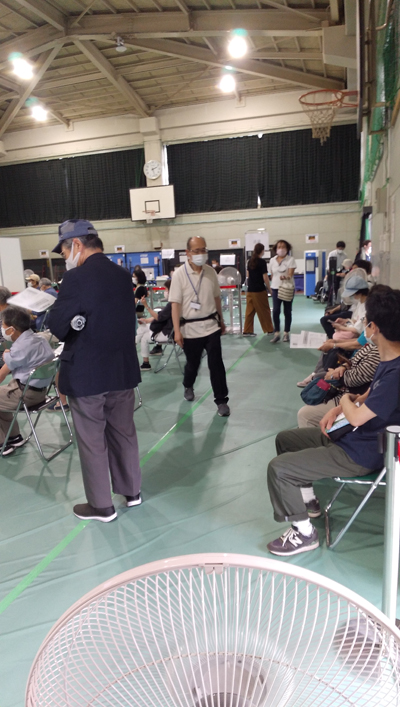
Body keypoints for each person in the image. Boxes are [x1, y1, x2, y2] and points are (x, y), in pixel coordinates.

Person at [266, 285, 400, 556]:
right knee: (286, 440)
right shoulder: (389, 360)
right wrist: (338, 409)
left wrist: (345, 402)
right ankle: (308, 502)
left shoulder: (396, 372)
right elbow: (366, 396)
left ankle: (304, 534)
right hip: (351, 435)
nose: (363, 326)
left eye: (366, 322)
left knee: (279, 469)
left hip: (362, 453)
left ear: (373, 328)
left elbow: (358, 412)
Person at [48, 219, 142, 523]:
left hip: (88, 373)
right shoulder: (122, 275)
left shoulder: (75, 278)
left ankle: (101, 506)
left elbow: (58, 325)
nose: (66, 259)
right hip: (122, 370)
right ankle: (132, 491)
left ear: (76, 244)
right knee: (124, 433)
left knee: (92, 440)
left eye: (65, 252)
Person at [169, 236, 230, 417]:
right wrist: (177, 331)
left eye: (203, 250)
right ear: (187, 253)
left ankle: (221, 400)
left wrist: (221, 320)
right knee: (193, 364)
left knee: (216, 364)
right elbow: (175, 304)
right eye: (196, 250)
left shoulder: (210, 272)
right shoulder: (179, 275)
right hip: (190, 329)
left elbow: (216, 297)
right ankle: (188, 384)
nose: (201, 253)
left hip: (211, 326)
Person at [0, 306, 53, 456]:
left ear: (12, 329)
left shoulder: (21, 347)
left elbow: (3, 371)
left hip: (25, 394)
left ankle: (2, 444)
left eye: (3, 325)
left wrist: (6, 355)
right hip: (41, 392)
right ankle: (14, 437)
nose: (2, 328)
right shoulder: (40, 339)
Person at [297, 342, 380, 428]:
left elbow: (353, 379)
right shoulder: (371, 345)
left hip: (350, 396)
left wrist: (332, 375)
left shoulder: (378, 353)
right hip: (343, 392)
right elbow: (352, 361)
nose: (365, 334)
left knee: (305, 414)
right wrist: (343, 367)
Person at [136, 280, 173, 371]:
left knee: (143, 333)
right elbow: (162, 316)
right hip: (167, 329)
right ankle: (145, 362)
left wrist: (146, 306)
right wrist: (147, 320)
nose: (165, 292)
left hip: (167, 333)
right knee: (143, 330)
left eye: (166, 289)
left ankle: (131, 347)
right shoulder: (175, 303)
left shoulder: (171, 305)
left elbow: (159, 317)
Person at [268, 240, 296, 343]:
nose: (281, 249)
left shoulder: (291, 259)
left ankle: (286, 333)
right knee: (276, 311)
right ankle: (277, 333)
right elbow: (271, 274)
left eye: (283, 247)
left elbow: (291, 274)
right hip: (275, 288)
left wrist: (286, 277)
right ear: (276, 249)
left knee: (287, 311)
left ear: (287, 249)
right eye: (279, 247)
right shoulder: (272, 260)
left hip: (287, 288)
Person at [243, 243, 273, 337]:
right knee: (264, 310)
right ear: (262, 251)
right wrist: (270, 289)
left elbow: (248, 275)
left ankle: (247, 331)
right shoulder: (262, 262)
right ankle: (269, 329)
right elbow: (265, 278)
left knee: (250, 311)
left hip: (250, 290)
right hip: (259, 290)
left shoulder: (249, 261)